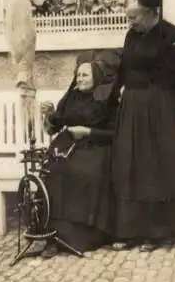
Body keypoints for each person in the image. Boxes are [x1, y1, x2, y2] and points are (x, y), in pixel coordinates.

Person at [111, 0, 175, 252]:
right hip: (133, 110)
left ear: (153, 12)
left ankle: (157, 233)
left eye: (135, 17)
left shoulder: (173, 37)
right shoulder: (131, 36)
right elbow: (123, 72)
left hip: (161, 110)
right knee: (131, 168)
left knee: (154, 170)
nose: (131, 23)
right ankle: (131, 231)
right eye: (128, 17)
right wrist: (113, 98)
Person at [41, 49, 121, 257]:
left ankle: (82, 236)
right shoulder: (70, 98)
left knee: (85, 172)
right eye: (78, 74)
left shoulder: (107, 101)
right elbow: (54, 125)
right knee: (54, 171)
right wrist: (48, 115)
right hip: (68, 145)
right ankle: (53, 236)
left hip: (97, 146)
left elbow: (115, 133)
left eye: (85, 74)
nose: (80, 78)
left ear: (96, 77)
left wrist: (88, 132)